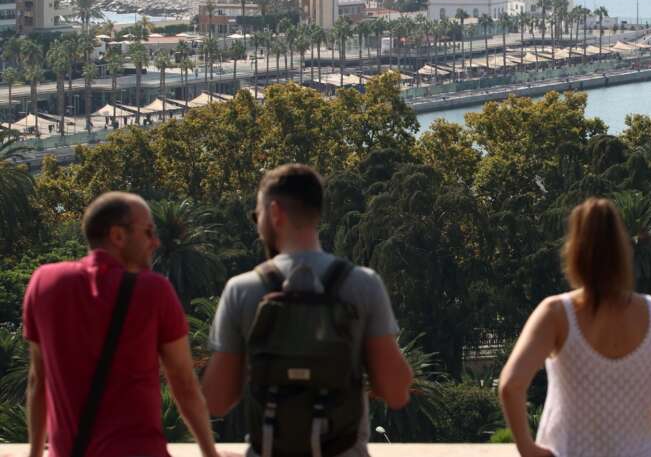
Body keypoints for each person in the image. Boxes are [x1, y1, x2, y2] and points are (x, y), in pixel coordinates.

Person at [202, 163, 413, 457]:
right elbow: (396, 392)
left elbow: (217, 399)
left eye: (258, 216)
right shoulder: (363, 284)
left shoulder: (242, 289)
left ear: (275, 213)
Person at [21, 192, 227, 457]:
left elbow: (38, 381)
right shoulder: (154, 290)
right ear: (118, 236)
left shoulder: (44, 283)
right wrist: (210, 453)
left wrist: (35, 453)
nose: (156, 242)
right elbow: (184, 385)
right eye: (149, 231)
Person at [499, 197, 651, 457]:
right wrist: (648, 431)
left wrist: (528, 448)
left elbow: (511, 386)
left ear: (573, 251)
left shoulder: (556, 313)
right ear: (623, 250)